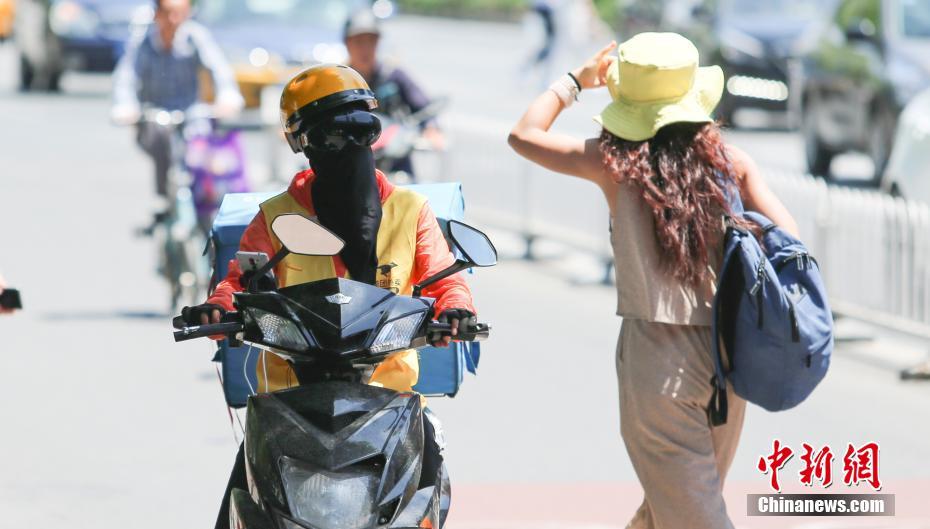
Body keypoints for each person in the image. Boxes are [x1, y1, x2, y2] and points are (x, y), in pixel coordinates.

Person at [508, 33, 799, 529]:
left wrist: (576, 81)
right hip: (730, 354)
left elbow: (523, 135)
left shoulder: (613, 164)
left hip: (657, 360)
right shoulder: (732, 164)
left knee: (687, 511)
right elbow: (791, 242)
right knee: (682, 505)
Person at [179, 64, 476, 529]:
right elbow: (239, 280)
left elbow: (444, 279)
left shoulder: (410, 211)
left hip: (386, 396)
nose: (350, 147)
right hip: (293, 401)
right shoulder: (276, 218)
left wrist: (456, 310)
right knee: (241, 495)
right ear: (304, 144)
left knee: (432, 470)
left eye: (362, 130)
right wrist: (220, 305)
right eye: (334, 136)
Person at [110, 0, 243, 199]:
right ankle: (165, 193)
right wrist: (126, 107)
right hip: (156, 115)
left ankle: (205, 199)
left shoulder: (195, 38)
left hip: (191, 113)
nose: (173, 20)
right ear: (157, 15)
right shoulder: (143, 41)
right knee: (158, 140)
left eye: (179, 13)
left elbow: (219, 70)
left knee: (204, 152)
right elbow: (126, 77)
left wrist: (227, 97)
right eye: (168, 13)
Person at [343, 8, 445, 176]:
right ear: (347, 43)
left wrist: (431, 128)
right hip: (350, 165)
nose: (365, 48)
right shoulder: (338, 80)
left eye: (371, 41)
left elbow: (423, 107)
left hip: (395, 162)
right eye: (358, 41)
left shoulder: (393, 75)